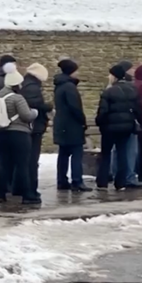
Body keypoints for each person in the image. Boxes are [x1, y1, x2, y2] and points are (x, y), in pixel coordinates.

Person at [96, 64, 142, 191]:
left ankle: (103, 182)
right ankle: (120, 182)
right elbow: (139, 110)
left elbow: (103, 112)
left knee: (105, 154)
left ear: (114, 76)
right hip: (126, 128)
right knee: (122, 154)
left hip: (109, 129)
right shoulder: (133, 90)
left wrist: (99, 123)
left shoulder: (108, 92)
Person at [0, 71, 40, 204]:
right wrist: (35, 112)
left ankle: (1, 194)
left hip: (2, 133)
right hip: (19, 134)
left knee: (3, 163)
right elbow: (26, 115)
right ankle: (26, 195)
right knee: (22, 164)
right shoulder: (17, 98)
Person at [53, 59, 90, 192]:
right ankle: (77, 181)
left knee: (63, 154)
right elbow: (75, 107)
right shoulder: (69, 87)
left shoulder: (59, 85)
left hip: (62, 124)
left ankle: (62, 180)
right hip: (72, 125)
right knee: (76, 154)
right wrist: (82, 121)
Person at [20, 63, 53, 197]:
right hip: (35, 127)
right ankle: (30, 190)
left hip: (31, 126)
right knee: (32, 160)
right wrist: (48, 106)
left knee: (29, 159)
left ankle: (27, 188)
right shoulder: (33, 87)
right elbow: (35, 104)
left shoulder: (26, 84)